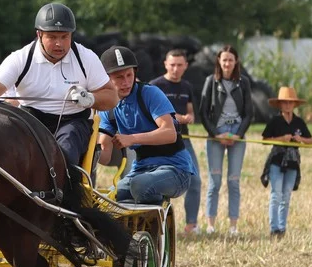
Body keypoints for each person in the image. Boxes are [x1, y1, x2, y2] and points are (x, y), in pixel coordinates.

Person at [0, 3, 118, 169]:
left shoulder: (87, 58)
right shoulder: (20, 58)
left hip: (73, 122)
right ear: (39, 34)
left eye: (64, 37)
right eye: (52, 37)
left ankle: (67, 192)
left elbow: (112, 97)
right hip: (30, 120)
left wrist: (91, 99)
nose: (59, 44)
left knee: (65, 151)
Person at [96, 46, 193, 204]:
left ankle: (155, 225)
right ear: (106, 78)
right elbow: (105, 156)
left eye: (129, 75)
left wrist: (132, 139)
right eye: (119, 77)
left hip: (176, 169)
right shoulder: (107, 108)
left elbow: (169, 133)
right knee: (108, 201)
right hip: (141, 171)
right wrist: (88, 148)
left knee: (140, 186)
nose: (126, 82)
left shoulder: (150, 93)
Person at [199, 45, 252, 235]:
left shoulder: (243, 82)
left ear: (236, 61)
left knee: (234, 181)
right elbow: (203, 113)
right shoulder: (210, 82)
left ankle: (233, 226)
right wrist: (215, 134)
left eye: (230, 60)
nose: (227, 63)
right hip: (217, 133)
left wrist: (238, 134)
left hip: (237, 133)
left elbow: (249, 113)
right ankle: (211, 224)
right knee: (214, 181)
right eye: (224, 60)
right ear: (219, 62)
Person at [150, 49, 201, 234]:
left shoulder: (187, 87)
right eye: (172, 64)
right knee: (160, 182)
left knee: (195, 180)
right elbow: (151, 114)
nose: (175, 68)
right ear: (165, 64)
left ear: (186, 66)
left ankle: (191, 225)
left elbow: (190, 110)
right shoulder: (155, 86)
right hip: (160, 142)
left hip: (183, 141)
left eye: (180, 65)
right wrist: (175, 118)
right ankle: (159, 224)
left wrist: (189, 117)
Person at [260, 87, 312, 238]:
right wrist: (280, 139)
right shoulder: (275, 121)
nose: (288, 105)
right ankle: (274, 227)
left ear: (294, 105)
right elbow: (264, 140)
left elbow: (311, 141)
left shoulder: (299, 122)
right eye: (285, 102)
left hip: (293, 161)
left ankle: (282, 228)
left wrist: (300, 140)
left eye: (290, 102)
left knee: (286, 195)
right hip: (277, 160)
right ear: (280, 105)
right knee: (276, 194)